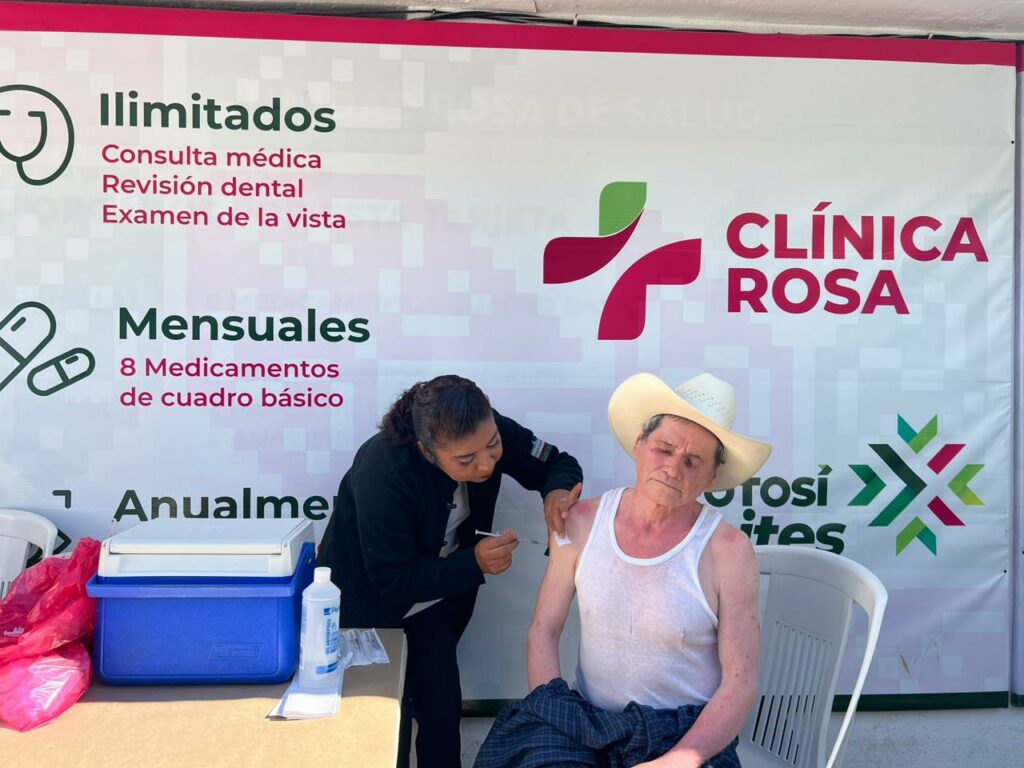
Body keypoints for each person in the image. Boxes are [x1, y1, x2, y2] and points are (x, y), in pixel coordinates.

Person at [475, 372, 772, 768]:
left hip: (684, 731)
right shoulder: (581, 522)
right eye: (664, 449)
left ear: (711, 477)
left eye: (692, 461)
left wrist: (676, 762)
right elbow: (543, 629)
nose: (672, 469)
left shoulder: (730, 550)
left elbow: (741, 680)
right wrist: (554, 713)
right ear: (639, 444)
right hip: (586, 721)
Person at [316, 374, 582, 768]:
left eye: (492, 446)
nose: (486, 463)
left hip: (432, 604)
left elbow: (557, 463)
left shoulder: (485, 430)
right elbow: (391, 580)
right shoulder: (383, 467)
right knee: (386, 722)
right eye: (465, 460)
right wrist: (473, 563)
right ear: (427, 451)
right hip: (366, 609)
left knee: (441, 710)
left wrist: (556, 492)